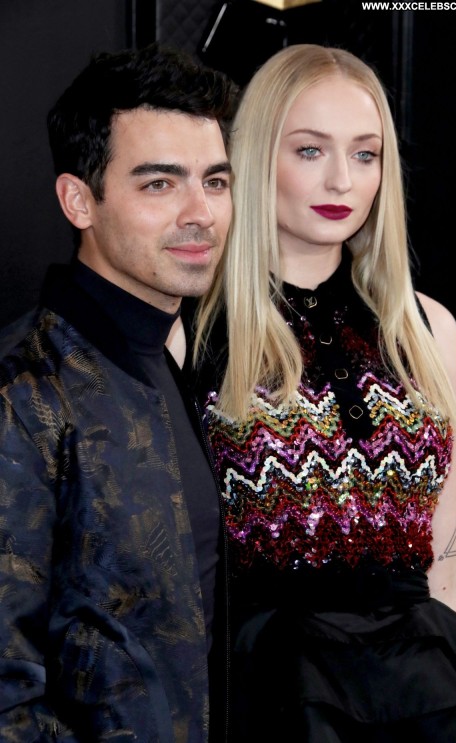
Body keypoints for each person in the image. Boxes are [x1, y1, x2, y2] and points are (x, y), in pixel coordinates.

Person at [191, 43, 456, 741]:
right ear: (257, 157)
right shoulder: (195, 330)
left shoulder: (428, 329)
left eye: (365, 154)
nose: (341, 178)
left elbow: (451, 561)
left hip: (423, 681)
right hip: (275, 686)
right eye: (310, 150)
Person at [0, 43, 238, 741]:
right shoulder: (23, 390)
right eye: (160, 184)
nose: (201, 212)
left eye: (215, 181)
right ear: (79, 200)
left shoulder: (179, 357)